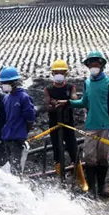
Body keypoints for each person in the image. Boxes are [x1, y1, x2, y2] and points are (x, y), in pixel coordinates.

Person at [62, 50, 109, 199]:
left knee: (103, 157)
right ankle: (91, 188)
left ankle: (101, 187)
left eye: (95, 63)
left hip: (106, 125)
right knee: (89, 157)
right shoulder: (87, 83)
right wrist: (68, 102)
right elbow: (84, 102)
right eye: (90, 64)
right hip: (91, 125)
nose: (93, 66)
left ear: (101, 64)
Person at [44, 59, 88, 191]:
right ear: (52, 74)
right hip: (54, 124)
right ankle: (61, 181)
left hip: (68, 123)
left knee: (73, 150)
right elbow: (47, 107)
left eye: (61, 73)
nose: (59, 75)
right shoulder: (48, 89)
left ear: (66, 74)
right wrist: (54, 104)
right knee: (57, 152)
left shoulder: (70, 87)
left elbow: (74, 98)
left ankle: (82, 181)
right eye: (56, 73)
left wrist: (63, 101)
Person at [0, 66, 36, 178]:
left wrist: (23, 133)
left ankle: (19, 188)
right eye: (3, 82)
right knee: (11, 164)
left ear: (13, 82)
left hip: (17, 137)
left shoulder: (23, 97)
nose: (4, 84)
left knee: (16, 165)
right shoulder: (6, 98)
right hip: (7, 136)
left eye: (6, 82)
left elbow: (30, 118)